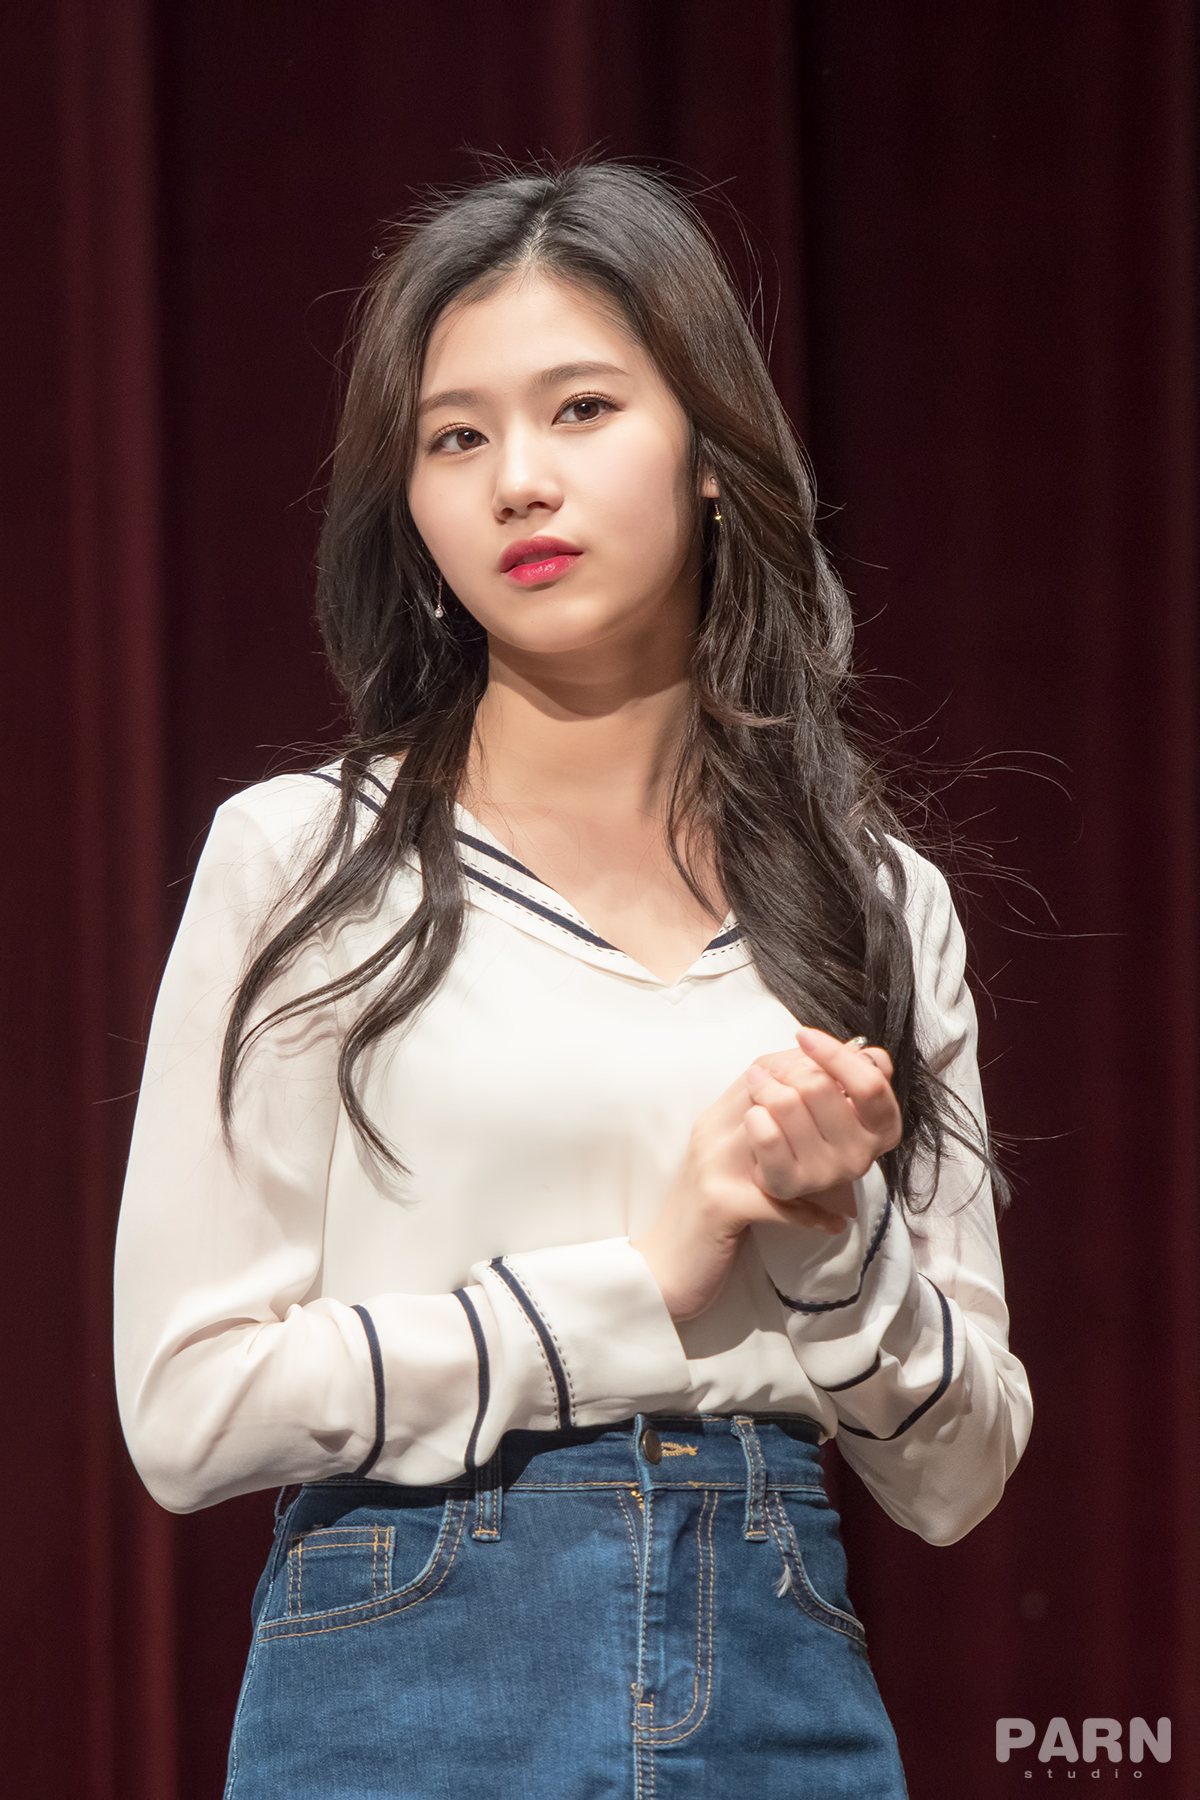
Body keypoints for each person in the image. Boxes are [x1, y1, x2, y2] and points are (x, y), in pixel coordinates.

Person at [114, 162, 1032, 1800]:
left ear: (712, 453)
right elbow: (188, 1407)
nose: (519, 482)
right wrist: (630, 1290)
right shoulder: (307, 860)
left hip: (779, 1652)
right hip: (406, 1646)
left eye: (583, 409)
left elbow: (960, 1476)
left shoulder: (880, 903)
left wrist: (839, 1249)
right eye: (455, 438)